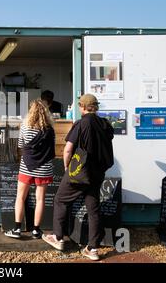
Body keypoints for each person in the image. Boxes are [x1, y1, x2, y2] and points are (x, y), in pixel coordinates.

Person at [43, 94, 114, 261]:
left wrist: (68, 168)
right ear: (95, 107)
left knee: (61, 200)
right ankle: (93, 249)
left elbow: (68, 149)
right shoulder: (105, 124)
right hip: (97, 173)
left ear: (82, 106)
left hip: (79, 172)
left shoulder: (82, 123)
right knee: (93, 209)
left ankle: (58, 237)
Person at [4, 99, 56, 240]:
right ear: (45, 113)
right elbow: (52, 149)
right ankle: (36, 231)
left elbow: (21, 145)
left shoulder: (25, 127)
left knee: (20, 197)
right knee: (40, 199)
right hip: (44, 167)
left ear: (30, 112)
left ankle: (16, 229)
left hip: (27, 166)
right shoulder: (50, 130)